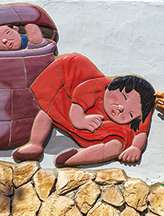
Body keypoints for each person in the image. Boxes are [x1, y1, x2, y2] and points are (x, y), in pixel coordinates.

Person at [13, 53, 155, 166]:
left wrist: (136, 148)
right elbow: (77, 106)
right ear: (113, 86)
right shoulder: (96, 86)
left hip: (106, 133)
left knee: (116, 147)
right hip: (74, 117)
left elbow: (141, 132)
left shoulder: (144, 107)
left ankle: (72, 159)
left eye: (129, 114)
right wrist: (81, 121)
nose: (120, 109)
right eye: (122, 97)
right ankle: (35, 144)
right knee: (48, 111)